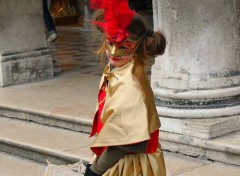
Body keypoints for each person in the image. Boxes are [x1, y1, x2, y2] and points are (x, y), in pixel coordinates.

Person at [85, 0, 166, 175]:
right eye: (110, 43)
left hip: (131, 164)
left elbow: (127, 141)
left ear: (137, 46)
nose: (113, 53)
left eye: (123, 47)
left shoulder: (130, 83)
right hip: (115, 157)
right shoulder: (120, 69)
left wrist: (96, 169)